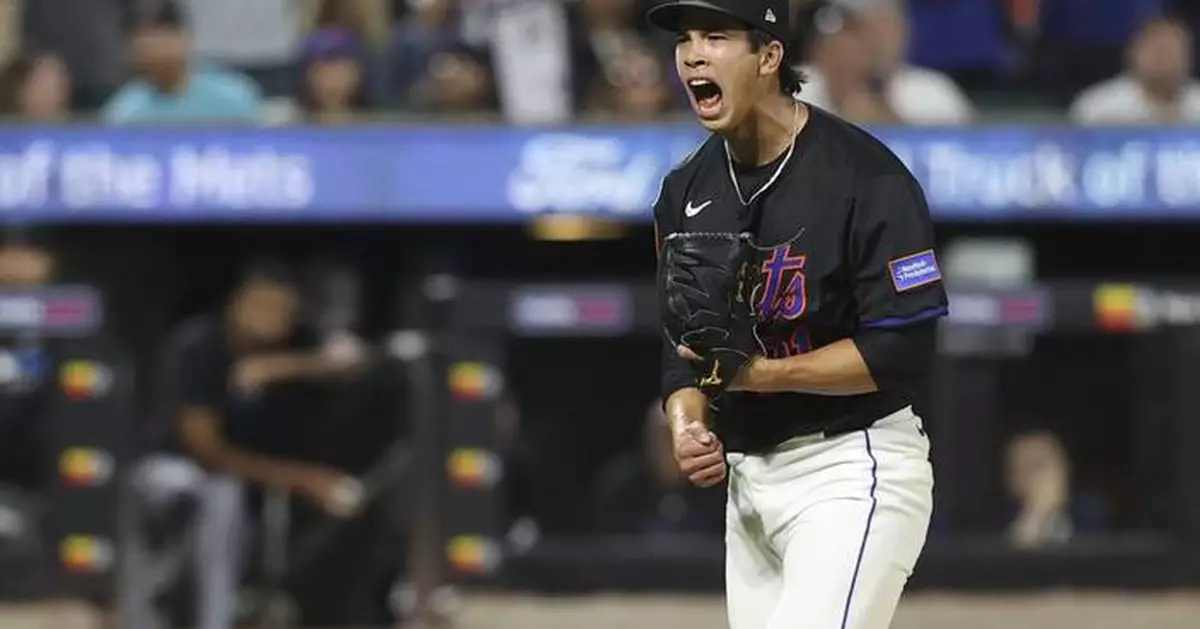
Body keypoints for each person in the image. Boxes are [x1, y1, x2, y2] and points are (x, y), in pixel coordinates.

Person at [646, 1, 946, 628]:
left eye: (718, 37)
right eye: (686, 39)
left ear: (770, 55)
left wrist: (756, 375)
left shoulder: (867, 177)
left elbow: (902, 352)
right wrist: (687, 424)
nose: (693, 54)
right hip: (748, 485)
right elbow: (683, 351)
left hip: (852, 466)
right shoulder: (684, 192)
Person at [124, 259, 366, 629]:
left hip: (248, 472)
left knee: (238, 499)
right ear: (235, 304)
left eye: (280, 310)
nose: (269, 318)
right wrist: (305, 480)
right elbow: (207, 452)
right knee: (222, 497)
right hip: (171, 469)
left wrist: (278, 367)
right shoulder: (199, 346)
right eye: (260, 306)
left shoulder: (294, 343)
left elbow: (355, 360)